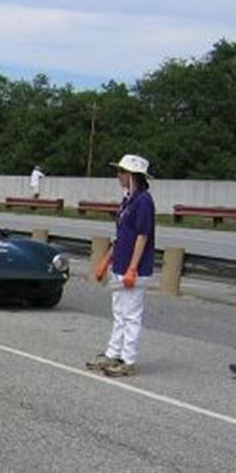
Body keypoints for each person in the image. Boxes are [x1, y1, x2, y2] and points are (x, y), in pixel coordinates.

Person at [86, 154, 155, 378]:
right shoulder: (128, 200)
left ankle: (128, 359)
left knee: (131, 314)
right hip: (120, 265)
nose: (118, 176)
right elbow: (122, 235)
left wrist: (133, 268)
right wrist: (107, 260)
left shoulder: (144, 201)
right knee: (119, 312)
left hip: (133, 268)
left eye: (122, 172)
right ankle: (113, 353)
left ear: (133, 175)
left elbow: (142, 236)